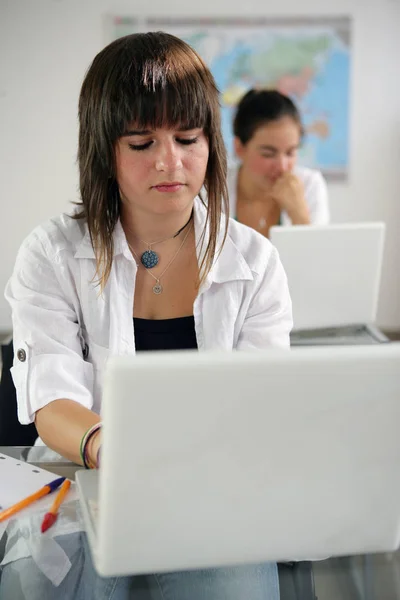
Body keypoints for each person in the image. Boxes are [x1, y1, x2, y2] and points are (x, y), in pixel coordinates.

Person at [1, 32, 292, 599]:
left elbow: (262, 401)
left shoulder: (255, 262)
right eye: (141, 143)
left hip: (212, 500)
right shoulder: (53, 253)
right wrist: (113, 449)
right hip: (86, 491)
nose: (170, 162)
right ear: (103, 149)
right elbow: (51, 398)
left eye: (188, 138)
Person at [229, 89, 330, 237]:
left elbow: (320, 258)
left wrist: (299, 215)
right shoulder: (211, 188)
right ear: (239, 148)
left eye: (290, 153)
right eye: (268, 154)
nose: (282, 166)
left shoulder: (310, 185)